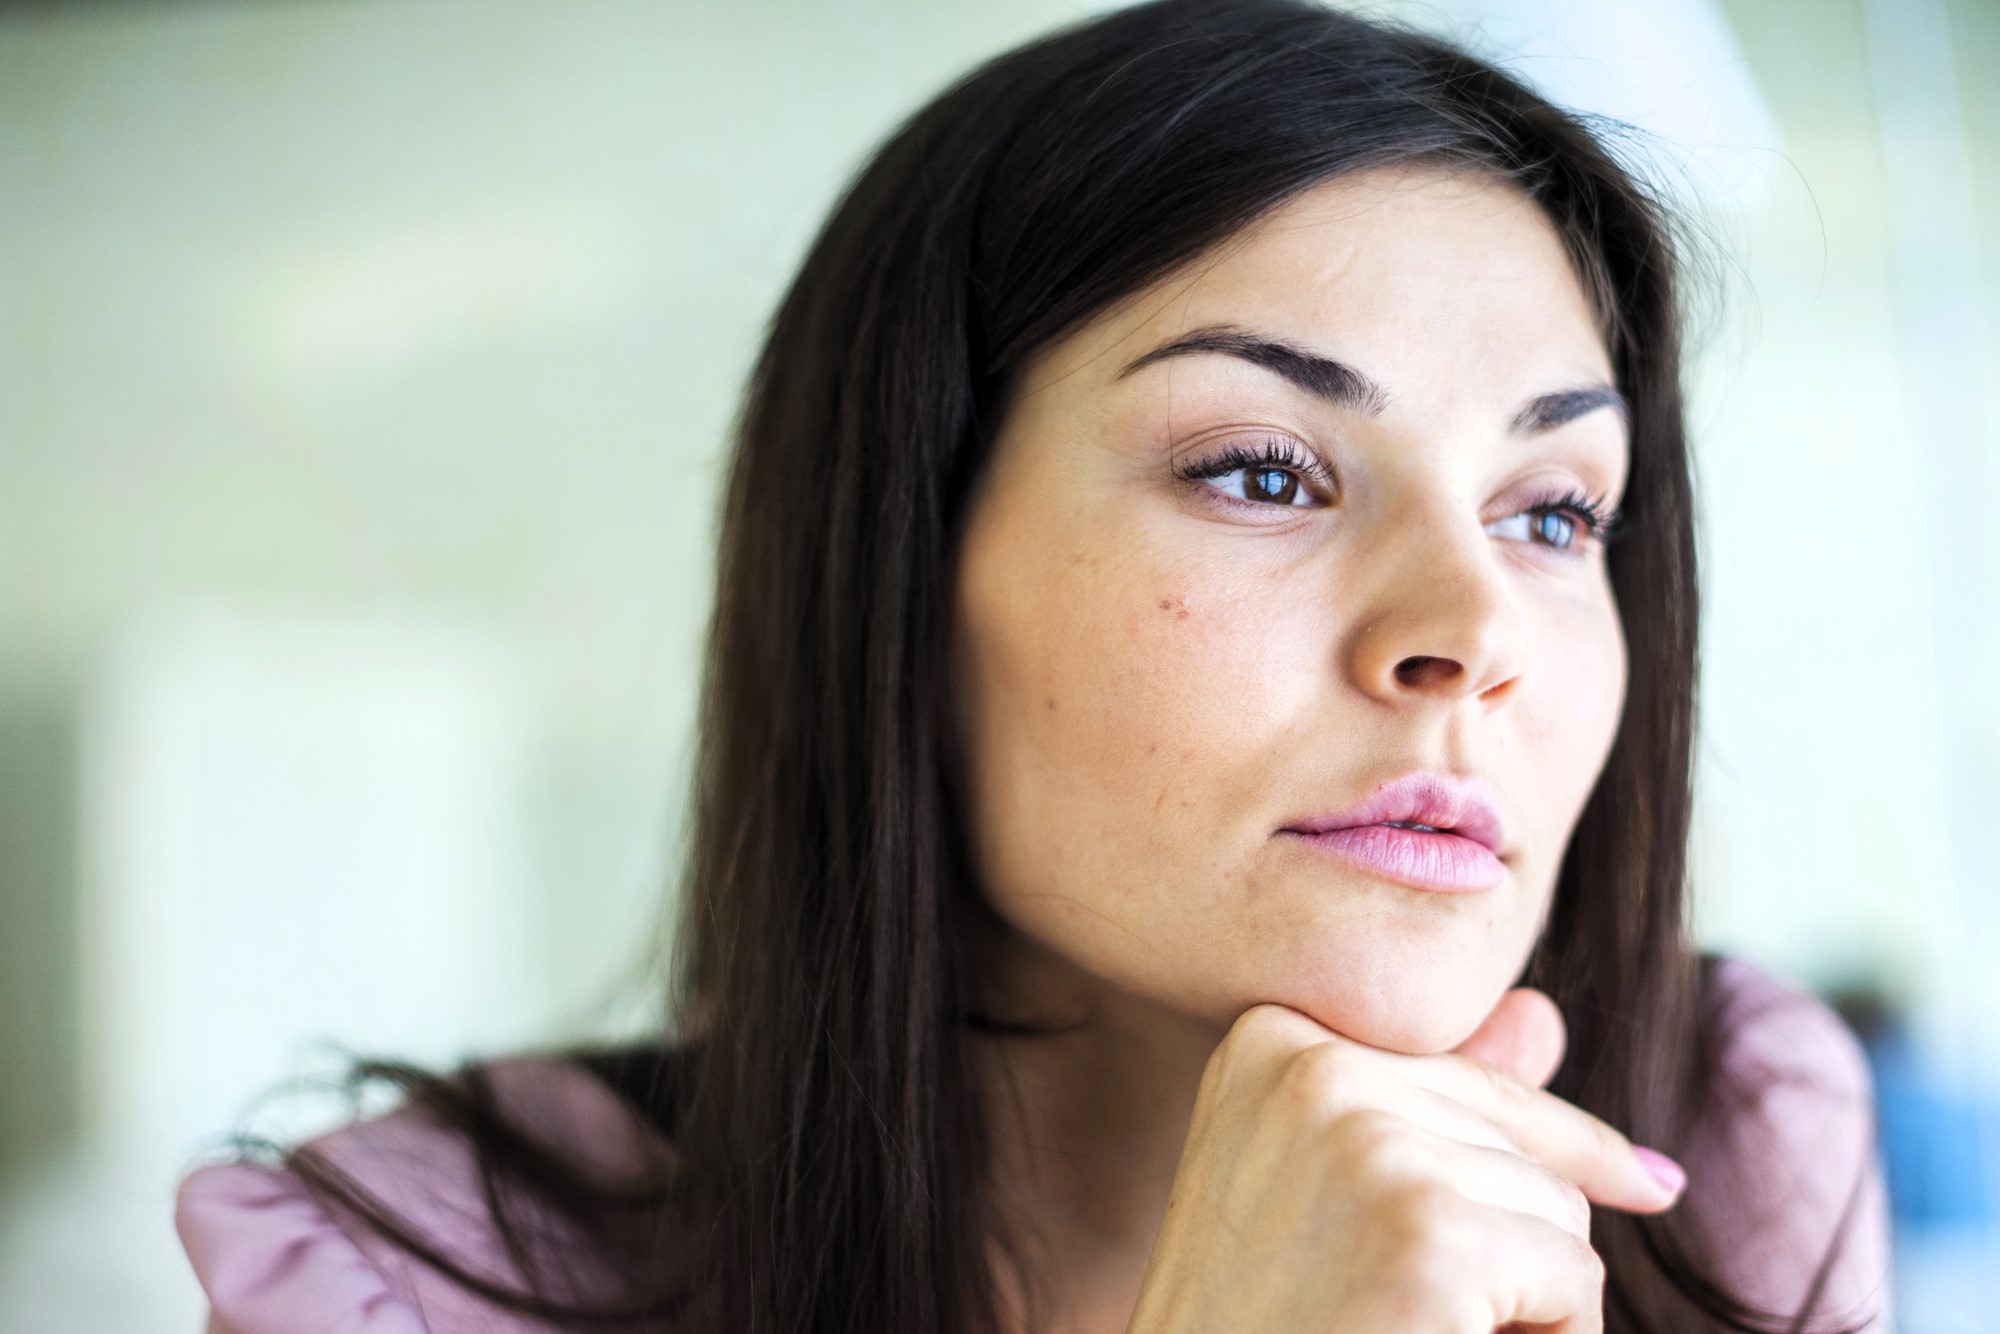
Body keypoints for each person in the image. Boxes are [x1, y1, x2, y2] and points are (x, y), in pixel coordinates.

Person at [174, 2, 1891, 1330]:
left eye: (1551, 510)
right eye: (1263, 471)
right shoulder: (406, 1275)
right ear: (905, 575)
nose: (1471, 632)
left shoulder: (1735, 1132)